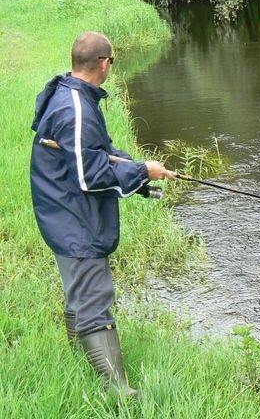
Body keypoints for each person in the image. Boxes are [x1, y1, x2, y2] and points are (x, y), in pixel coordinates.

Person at [29, 31, 175, 398]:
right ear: (105, 63)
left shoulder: (67, 93)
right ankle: (118, 391)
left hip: (59, 211)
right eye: (113, 61)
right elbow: (89, 175)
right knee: (94, 298)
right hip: (73, 218)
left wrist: (137, 168)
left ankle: (81, 355)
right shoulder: (76, 109)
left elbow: (96, 152)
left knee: (79, 291)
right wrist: (143, 172)